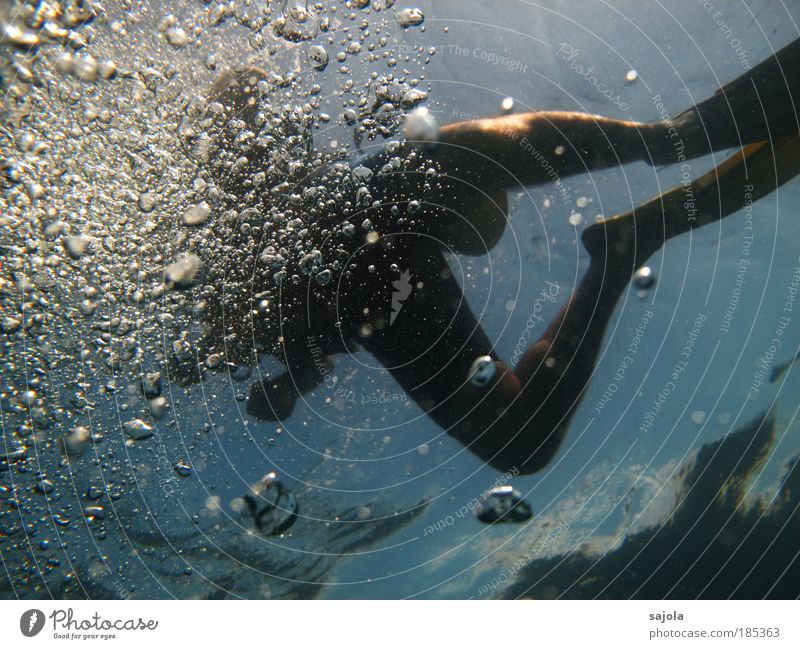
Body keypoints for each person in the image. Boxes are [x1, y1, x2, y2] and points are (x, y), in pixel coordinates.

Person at [183, 38, 800, 475]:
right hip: (389, 301)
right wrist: (290, 387)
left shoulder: (268, 220)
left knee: (416, 169)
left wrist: (285, 379)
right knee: (523, 447)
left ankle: (672, 139)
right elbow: (303, 344)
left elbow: (247, 109)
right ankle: (619, 253)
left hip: (387, 208)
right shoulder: (250, 308)